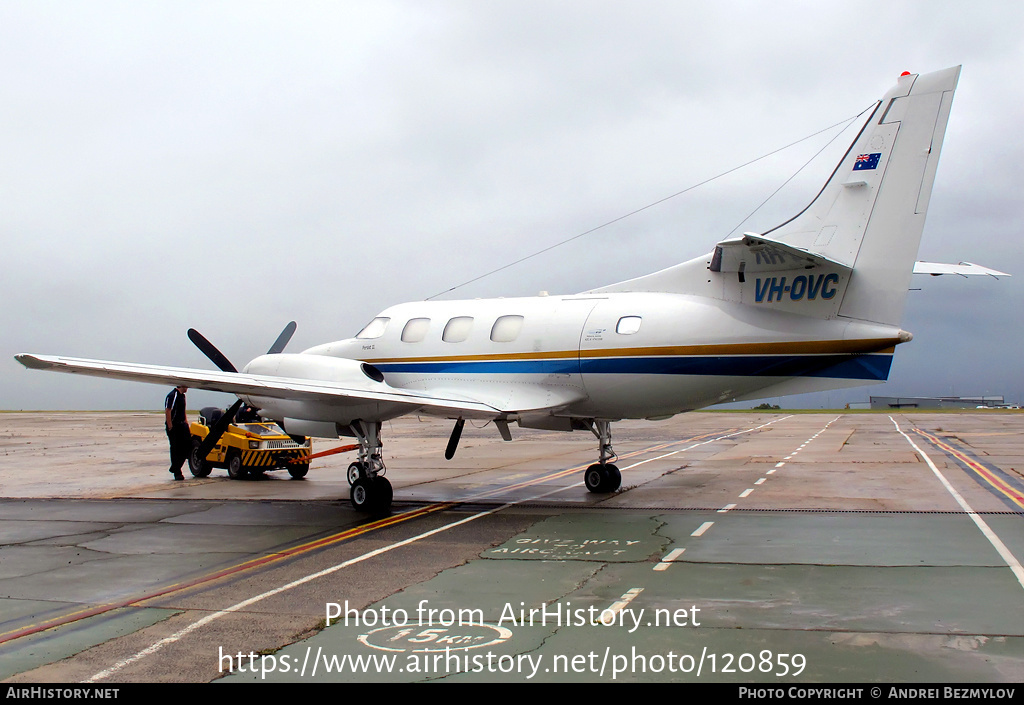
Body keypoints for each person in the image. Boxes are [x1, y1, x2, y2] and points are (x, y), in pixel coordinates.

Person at [165, 385, 190, 480]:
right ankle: (177, 472)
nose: (187, 388)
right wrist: (170, 425)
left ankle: (175, 467)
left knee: (187, 446)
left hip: (182, 425)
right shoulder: (173, 395)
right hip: (174, 426)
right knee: (175, 449)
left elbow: (183, 411)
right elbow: (168, 410)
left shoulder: (183, 396)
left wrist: (186, 423)